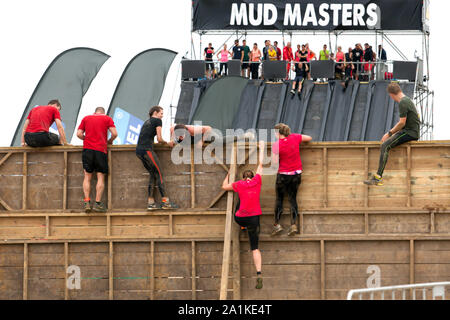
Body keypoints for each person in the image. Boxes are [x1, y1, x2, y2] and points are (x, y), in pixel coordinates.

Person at [222, 140, 265, 290]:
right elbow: (261, 164)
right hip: (253, 219)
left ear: (243, 177)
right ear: (252, 177)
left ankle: (241, 227)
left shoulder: (239, 184)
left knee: (239, 203)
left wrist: (228, 173)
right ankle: (258, 273)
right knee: (255, 248)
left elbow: (224, 186)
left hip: (240, 218)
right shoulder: (257, 181)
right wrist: (262, 147)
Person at [364, 83, 420, 186]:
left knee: (385, 145)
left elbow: (402, 122)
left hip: (410, 132)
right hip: (410, 130)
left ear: (391, 94)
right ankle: (378, 177)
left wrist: (389, 134)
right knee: (389, 142)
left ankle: (378, 177)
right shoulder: (407, 100)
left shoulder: (403, 103)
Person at [272, 123, 312, 236]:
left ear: (278, 133)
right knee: (292, 199)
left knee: (279, 199)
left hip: (283, 175)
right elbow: (309, 138)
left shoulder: (276, 145)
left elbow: (274, 162)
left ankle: (277, 225)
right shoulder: (294, 137)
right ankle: (293, 225)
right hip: (296, 174)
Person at [136, 106, 178, 210]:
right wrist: (167, 142)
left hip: (139, 151)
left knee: (153, 174)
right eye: (161, 113)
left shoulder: (147, 122)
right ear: (155, 112)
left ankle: (151, 203)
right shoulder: (157, 121)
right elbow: (159, 139)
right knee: (159, 174)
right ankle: (165, 202)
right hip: (147, 150)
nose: (162, 116)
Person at [77, 107, 118, 213]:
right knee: (100, 177)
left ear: (94, 112)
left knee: (87, 176)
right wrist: (109, 141)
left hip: (88, 150)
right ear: (103, 113)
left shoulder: (86, 118)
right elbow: (114, 133)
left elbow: (79, 134)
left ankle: (87, 202)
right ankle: (97, 203)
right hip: (101, 150)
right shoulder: (107, 119)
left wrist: (86, 139)